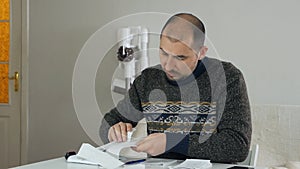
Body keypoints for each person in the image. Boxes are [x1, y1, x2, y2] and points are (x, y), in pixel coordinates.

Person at [100, 13, 252, 163]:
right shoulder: (148, 80)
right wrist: (113, 130)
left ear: (201, 53)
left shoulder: (226, 78)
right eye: (164, 53)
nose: (168, 65)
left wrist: (173, 141)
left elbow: (237, 146)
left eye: (180, 57)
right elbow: (109, 122)